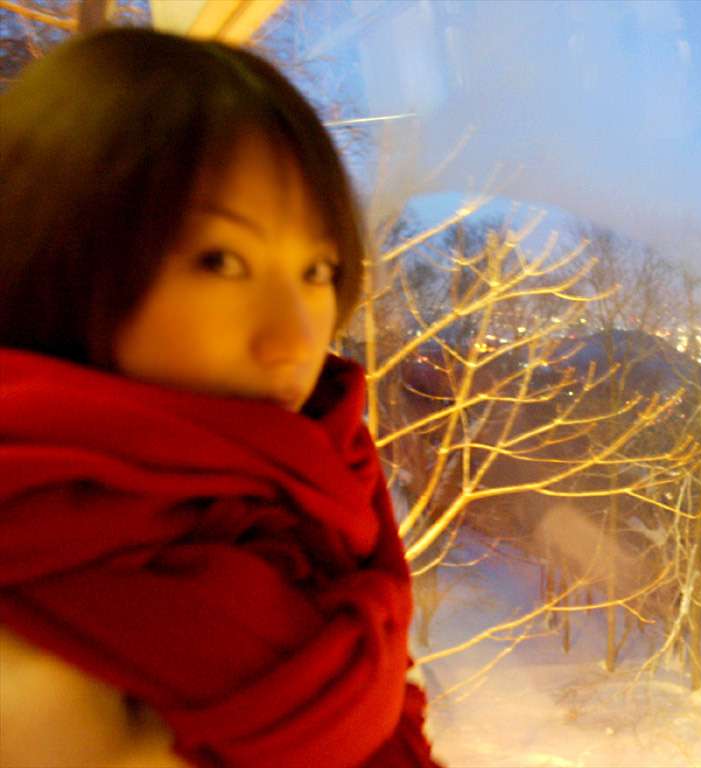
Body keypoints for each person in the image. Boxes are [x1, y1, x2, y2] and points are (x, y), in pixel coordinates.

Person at [0, 27, 439, 768]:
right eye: (222, 261)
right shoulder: (28, 671)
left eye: (318, 270)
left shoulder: (318, 499)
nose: (295, 339)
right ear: (56, 249)